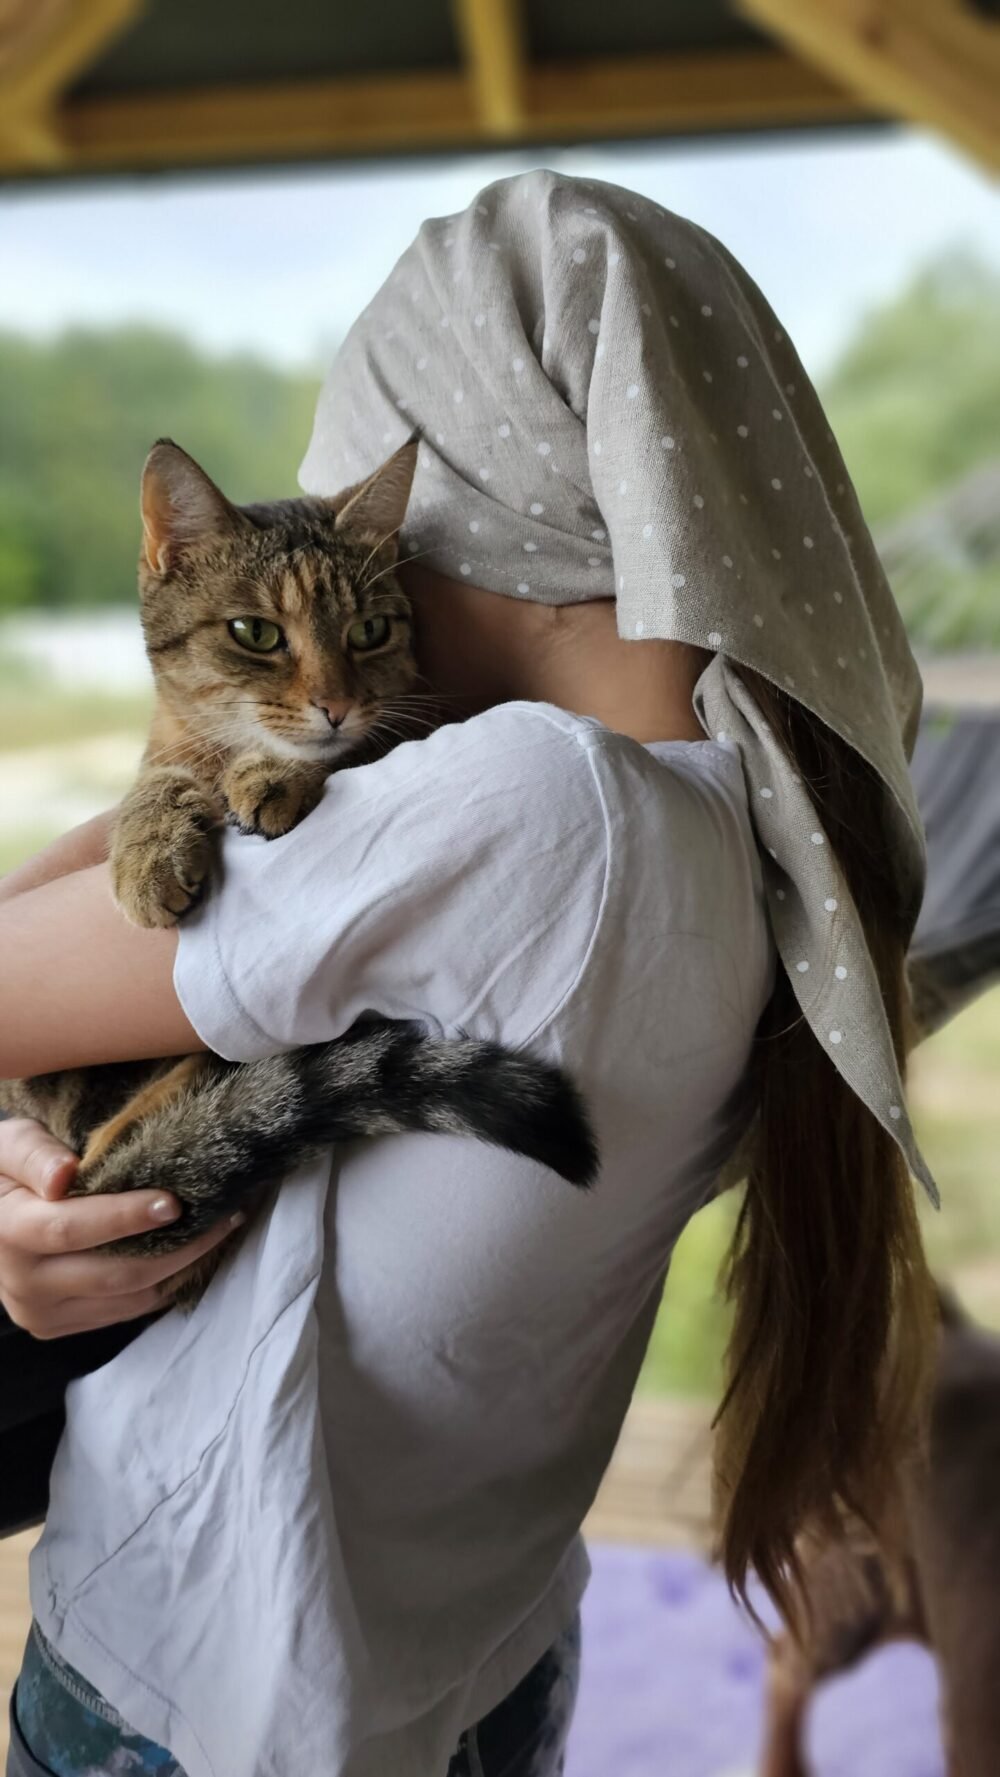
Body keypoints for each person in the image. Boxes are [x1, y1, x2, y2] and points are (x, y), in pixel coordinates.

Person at [0, 171, 937, 1777]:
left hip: (223, 1687)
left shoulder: (530, 805)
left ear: (473, 494)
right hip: (479, 1644)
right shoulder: (734, 826)